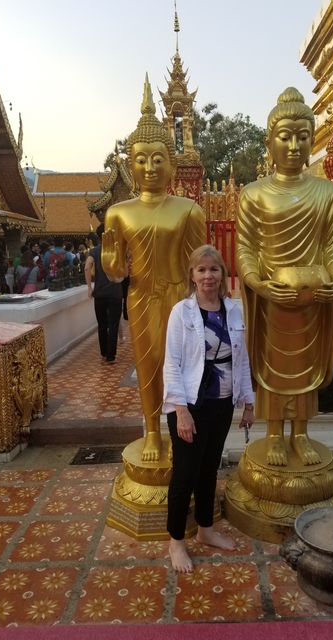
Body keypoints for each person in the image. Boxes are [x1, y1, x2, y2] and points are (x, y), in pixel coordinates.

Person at [236, 87, 333, 468]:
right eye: (285, 136)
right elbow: (246, 248)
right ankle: (273, 435)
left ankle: (300, 433)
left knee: (306, 368)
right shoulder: (253, 194)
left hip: (313, 299)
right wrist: (257, 283)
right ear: (269, 142)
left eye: (303, 136)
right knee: (272, 369)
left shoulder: (327, 193)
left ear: (313, 140)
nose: (294, 145)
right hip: (272, 299)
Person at [102, 75, 206, 462]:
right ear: (130, 165)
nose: (149, 167)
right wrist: (112, 255)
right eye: (140, 160)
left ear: (172, 163)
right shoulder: (118, 212)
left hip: (181, 297)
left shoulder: (189, 209)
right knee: (147, 364)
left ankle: (184, 426)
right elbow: (114, 272)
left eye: (158, 158)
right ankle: (151, 431)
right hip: (142, 295)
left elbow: (202, 264)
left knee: (183, 364)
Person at [163, 245, 255, 573]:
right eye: (201, 270)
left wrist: (248, 402)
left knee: (209, 470)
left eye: (214, 269)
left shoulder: (233, 310)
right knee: (185, 474)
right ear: (192, 275)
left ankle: (205, 529)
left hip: (223, 402)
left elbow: (240, 359)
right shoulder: (182, 312)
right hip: (190, 404)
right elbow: (171, 363)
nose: (208, 276)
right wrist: (181, 411)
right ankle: (176, 542)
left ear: (223, 274)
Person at [85, 223, 124, 364]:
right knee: (113, 324)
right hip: (115, 293)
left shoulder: (94, 251)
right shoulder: (117, 251)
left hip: (99, 293)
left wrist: (90, 287)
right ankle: (111, 356)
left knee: (102, 324)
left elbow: (87, 267)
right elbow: (125, 271)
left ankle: (104, 351)